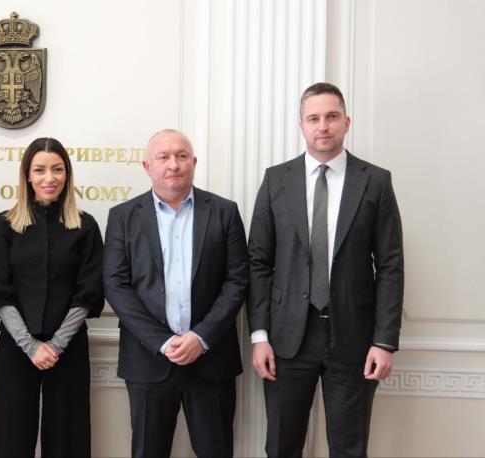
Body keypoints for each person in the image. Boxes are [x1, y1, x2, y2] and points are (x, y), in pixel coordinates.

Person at [248, 82, 404, 457]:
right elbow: (258, 262)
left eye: (332, 116)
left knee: (349, 448)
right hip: (287, 338)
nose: (323, 126)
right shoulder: (275, 180)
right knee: (281, 446)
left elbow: (390, 265)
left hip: (353, 337)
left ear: (346, 122)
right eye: (314, 118)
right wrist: (259, 335)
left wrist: (384, 341)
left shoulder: (375, 181)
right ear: (302, 125)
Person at [104, 129, 248, 458]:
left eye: (182, 156)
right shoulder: (123, 217)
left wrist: (201, 337)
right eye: (163, 157)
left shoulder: (224, 212)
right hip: (148, 361)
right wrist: (163, 341)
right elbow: (115, 284)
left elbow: (237, 280)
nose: (174, 164)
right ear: (147, 166)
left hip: (211, 360)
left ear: (194, 162)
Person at [0, 137, 104, 458]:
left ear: (67, 174)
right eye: (40, 170)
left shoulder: (86, 227)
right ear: (27, 175)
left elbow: (89, 292)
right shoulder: (4, 225)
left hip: (68, 348)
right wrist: (31, 346)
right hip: (17, 346)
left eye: (57, 169)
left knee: (68, 440)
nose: (49, 178)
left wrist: (55, 345)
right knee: (10, 438)